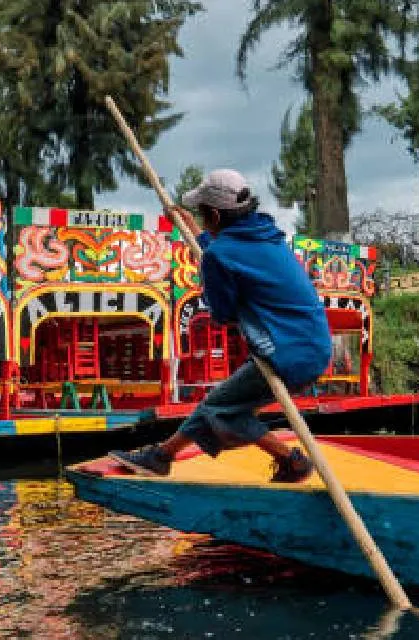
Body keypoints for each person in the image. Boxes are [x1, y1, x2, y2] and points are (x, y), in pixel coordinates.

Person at [110, 169, 332, 483]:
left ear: (214, 215)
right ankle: (161, 457)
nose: (202, 221)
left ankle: (291, 460)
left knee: (220, 411)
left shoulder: (219, 256)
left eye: (203, 216)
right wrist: (194, 231)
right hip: (311, 344)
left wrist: (210, 272)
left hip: (286, 352)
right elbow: (232, 255)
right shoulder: (265, 232)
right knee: (217, 404)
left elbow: (223, 314)